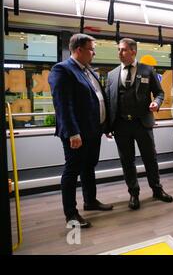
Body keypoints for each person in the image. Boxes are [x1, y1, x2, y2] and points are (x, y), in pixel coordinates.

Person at [48, 34, 113, 228]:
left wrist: (105, 126)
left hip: (94, 131)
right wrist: (73, 133)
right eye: (91, 49)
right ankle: (71, 214)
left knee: (89, 167)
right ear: (79, 50)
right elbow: (63, 105)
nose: (94, 53)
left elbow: (99, 99)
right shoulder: (62, 70)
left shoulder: (88, 71)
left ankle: (90, 201)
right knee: (72, 171)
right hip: (78, 134)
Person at [106, 38, 173, 210]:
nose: (119, 53)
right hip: (121, 125)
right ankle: (133, 194)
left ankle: (157, 190)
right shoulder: (112, 75)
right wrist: (107, 126)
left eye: (123, 50)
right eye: (119, 50)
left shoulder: (147, 70)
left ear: (133, 51)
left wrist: (157, 103)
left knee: (150, 159)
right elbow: (108, 102)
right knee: (127, 162)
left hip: (142, 123)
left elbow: (159, 92)